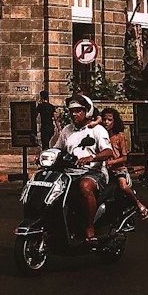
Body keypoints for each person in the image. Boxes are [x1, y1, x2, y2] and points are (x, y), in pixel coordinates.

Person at [53, 96, 113, 243]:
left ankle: (89, 227)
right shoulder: (67, 130)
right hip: (70, 172)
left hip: (94, 172)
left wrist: (91, 158)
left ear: (87, 112)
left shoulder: (98, 130)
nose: (74, 114)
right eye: (72, 111)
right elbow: (57, 149)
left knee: (84, 186)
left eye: (78, 111)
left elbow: (108, 151)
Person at [101, 107, 148, 221]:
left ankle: (138, 204)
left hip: (118, 169)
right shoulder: (101, 136)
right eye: (104, 119)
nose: (106, 122)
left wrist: (111, 162)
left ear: (114, 121)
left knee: (123, 186)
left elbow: (124, 157)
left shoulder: (119, 137)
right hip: (103, 170)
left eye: (109, 120)